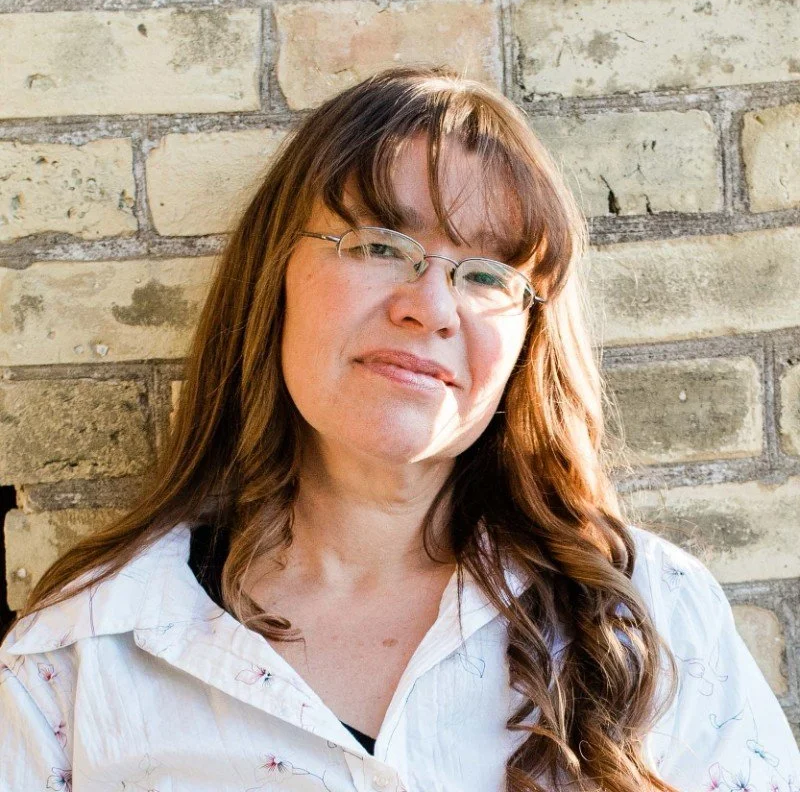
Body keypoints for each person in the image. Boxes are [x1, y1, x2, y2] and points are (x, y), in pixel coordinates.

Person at [0, 66, 797, 792]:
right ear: (272, 276)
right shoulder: (83, 653)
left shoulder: (651, 614)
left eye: (488, 274)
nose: (431, 306)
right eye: (380, 244)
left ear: (528, 342)